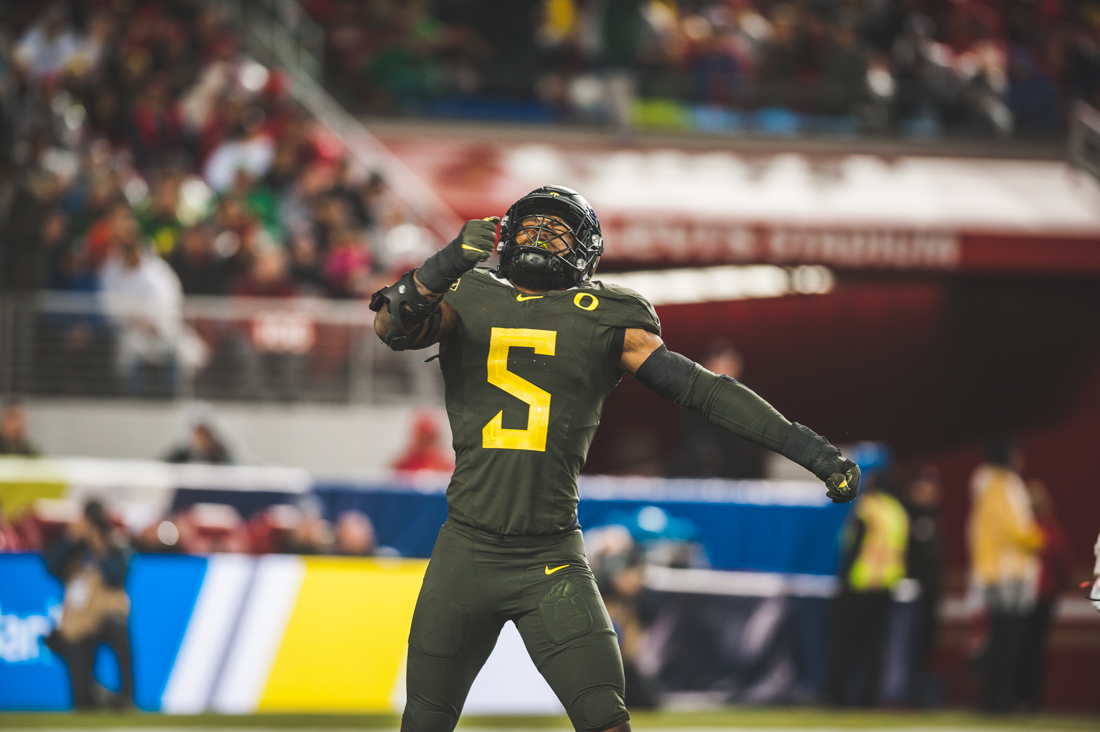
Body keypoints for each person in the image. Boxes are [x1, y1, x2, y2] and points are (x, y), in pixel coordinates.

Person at [370, 185, 860, 732]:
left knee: (607, 721)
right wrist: (441, 266)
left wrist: (806, 448)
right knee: (424, 722)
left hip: (548, 559)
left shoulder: (604, 314)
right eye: (531, 226)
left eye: (557, 229)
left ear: (584, 250)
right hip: (465, 549)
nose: (540, 237)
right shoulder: (468, 291)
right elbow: (393, 327)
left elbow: (704, 391)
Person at [825, 443, 909, 707]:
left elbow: (853, 546)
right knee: (875, 648)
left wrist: (842, 579)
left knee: (846, 643)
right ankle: (867, 700)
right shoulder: (897, 512)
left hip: (859, 584)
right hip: (886, 587)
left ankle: (836, 697)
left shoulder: (868, 508)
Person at [968, 437, 1043, 713]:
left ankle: (995, 699)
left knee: (1001, 639)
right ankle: (997, 701)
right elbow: (1013, 527)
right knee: (1006, 641)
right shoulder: (1001, 484)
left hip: (998, 570)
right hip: (1007, 570)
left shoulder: (990, 484)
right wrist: (1038, 537)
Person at [43, 499, 133, 709]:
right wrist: (69, 540)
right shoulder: (74, 546)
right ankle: (103, 698)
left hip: (105, 615)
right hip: (78, 620)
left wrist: (99, 546)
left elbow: (115, 575)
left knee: (118, 629)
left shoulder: (115, 544)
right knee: (81, 700)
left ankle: (127, 696)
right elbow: (51, 567)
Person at [663, 341, 767, 479]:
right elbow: (689, 450)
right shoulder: (694, 402)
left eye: (728, 363)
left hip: (744, 481)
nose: (722, 369)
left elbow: (756, 452)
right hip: (704, 483)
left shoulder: (752, 401)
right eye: (716, 364)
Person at [1017, 480, 1071, 710]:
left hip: (1037, 597)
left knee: (1028, 649)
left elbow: (1061, 562)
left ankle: (1027, 699)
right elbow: (1063, 564)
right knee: (1029, 650)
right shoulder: (1031, 529)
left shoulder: (1043, 528)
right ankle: (1026, 699)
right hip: (1032, 596)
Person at [905, 464, 944, 707]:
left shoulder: (935, 516)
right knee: (910, 644)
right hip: (910, 594)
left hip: (930, 593)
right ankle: (906, 689)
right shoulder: (906, 514)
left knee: (926, 642)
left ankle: (917, 689)